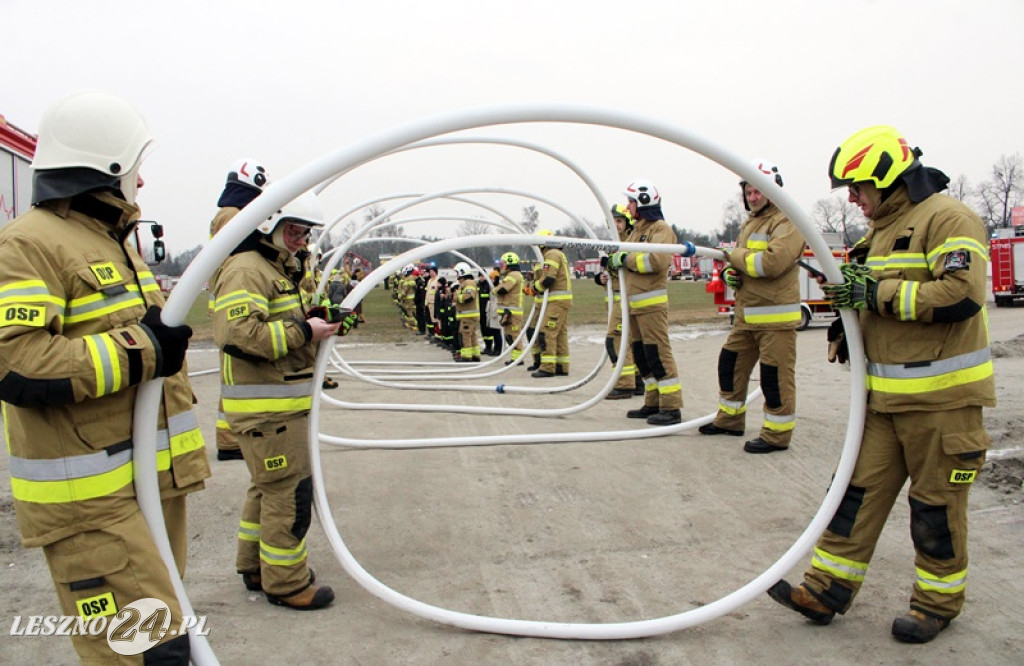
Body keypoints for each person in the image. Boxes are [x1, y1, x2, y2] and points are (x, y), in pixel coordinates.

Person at [0, 91, 210, 663]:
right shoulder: (28, 245)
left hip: (144, 489)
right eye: (136, 168)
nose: (142, 183)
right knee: (148, 654)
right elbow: (16, 362)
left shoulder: (111, 245)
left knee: (167, 645)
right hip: (89, 505)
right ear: (108, 167)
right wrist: (144, 346)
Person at [767, 126, 994, 644]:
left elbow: (961, 293)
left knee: (934, 510)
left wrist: (875, 294)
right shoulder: (880, 233)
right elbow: (864, 298)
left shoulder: (948, 217)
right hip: (884, 402)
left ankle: (936, 605)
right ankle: (825, 591)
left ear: (886, 177)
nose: (852, 198)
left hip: (943, 404)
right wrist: (845, 327)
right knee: (853, 496)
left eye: (856, 186)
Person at [213, 190, 354, 611]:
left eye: (304, 233)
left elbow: (277, 322)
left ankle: (256, 567)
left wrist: (317, 319)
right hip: (269, 410)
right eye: (294, 231)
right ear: (266, 225)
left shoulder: (271, 269)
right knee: (288, 496)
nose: (300, 241)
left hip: (276, 407)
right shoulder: (246, 269)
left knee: (266, 490)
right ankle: (287, 583)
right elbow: (240, 335)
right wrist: (305, 331)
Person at [698, 160, 805, 452]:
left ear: (774, 192)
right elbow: (744, 263)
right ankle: (730, 420)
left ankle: (776, 434)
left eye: (759, 191)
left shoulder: (788, 221)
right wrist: (730, 273)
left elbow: (771, 263)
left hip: (776, 319)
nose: (753, 197)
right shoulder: (750, 223)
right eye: (749, 191)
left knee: (774, 377)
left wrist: (734, 258)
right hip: (746, 317)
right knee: (730, 364)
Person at [607, 179, 689, 425]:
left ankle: (672, 407)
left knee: (658, 354)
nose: (628, 206)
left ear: (643, 201)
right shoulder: (636, 231)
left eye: (630, 201)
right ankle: (653, 401)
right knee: (642, 356)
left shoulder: (660, 229)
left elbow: (656, 261)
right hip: (633, 305)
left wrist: (626, 259)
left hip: (651, 305)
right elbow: (624, 259)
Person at [209, 158, 271, 460]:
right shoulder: (232, 215)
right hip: (234, 301)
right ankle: (229, 440)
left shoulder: (235, 212)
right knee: (235, 377)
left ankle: (232, 436)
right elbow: (236, 259)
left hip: (236, 298)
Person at [597, 204, 641, 399]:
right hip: (618, 299)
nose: (616, 225)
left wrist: (612, 264)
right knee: (632, 342)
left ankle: (624, 384)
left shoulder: (630, 242)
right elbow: (611, 274)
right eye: (613, 221)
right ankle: (638, 381)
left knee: (614, 340)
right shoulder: (612, 245)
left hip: (626, 299)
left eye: (620, 221)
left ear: (627, 222)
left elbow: (630, 267)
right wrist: (601, 278)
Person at [530, 229, 573, 378]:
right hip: (561, 301)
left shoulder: (551, 254)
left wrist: (534, 288)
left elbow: (549, 278)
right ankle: (561, 365)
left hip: (556, 301)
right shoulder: (558, 254)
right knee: (560, 334)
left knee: (546, 331)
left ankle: (548, 367)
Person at [495, 252, 526, 365]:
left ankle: (518, 358)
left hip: (513, 312)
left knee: (514, 335)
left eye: (503, 264)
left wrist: (494, 290)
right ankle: (515, 357)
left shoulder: (513, 275)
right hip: (509, 311)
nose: (502, 266)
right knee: (509, 336)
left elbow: (503, 289)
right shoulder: (511, 275)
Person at [453, 263, 481, 362]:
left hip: (468, 315)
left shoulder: (468, 283)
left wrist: (457, 297)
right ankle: (475, 355)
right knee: (472, 335)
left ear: (462, 272)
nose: (456, 275)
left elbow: (469, 296)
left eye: (457, 273)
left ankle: (467, 356)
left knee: (465, 335)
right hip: (469, 315)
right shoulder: (467, 283)